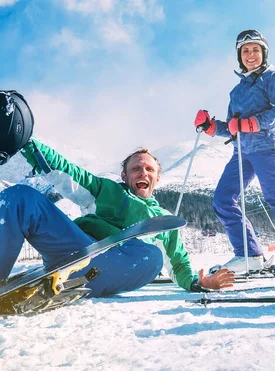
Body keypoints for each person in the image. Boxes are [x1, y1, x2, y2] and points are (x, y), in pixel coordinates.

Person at [0, 90, 235, 298]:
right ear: (124, 176)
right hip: (76, 250)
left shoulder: (163, 221)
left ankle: (75, 281)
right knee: (21, 198)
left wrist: (197, 283)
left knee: (152, 256)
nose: (142, 172)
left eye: (149, 169)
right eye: (135, 168)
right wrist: (25, 140)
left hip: (119, 265)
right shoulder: (106, 191)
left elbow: (178, 263)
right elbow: (67, 171)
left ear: (157, 177)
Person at [194, 30, 275, 276]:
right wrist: (212, 127)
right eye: (245, 51)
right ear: (239, 56)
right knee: (223, 199)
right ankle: (249, 255)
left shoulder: (272, 78)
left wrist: (251, 124)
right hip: (242, 152)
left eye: (255, 49)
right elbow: (233, 128)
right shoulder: (236, 91)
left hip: (267, 147)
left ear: (263, 53)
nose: (250, 55)